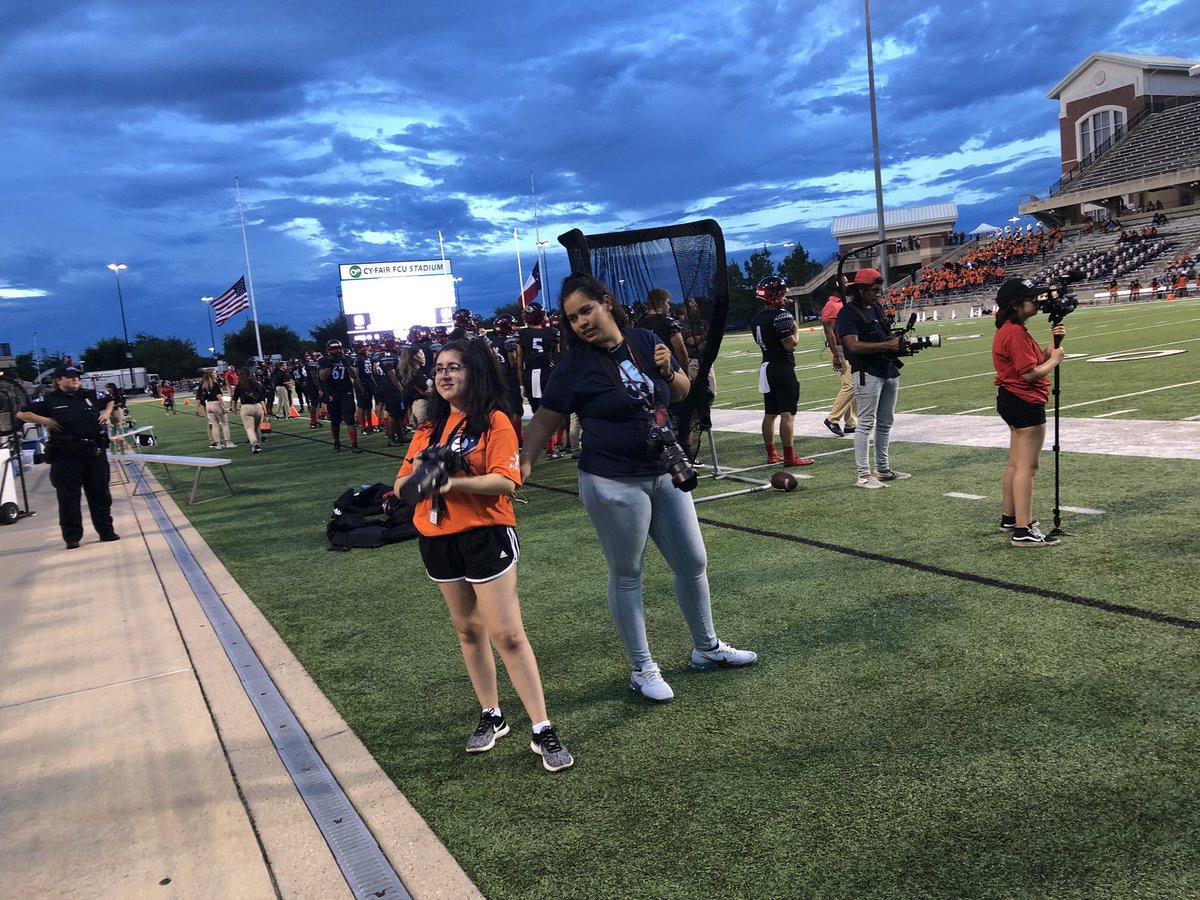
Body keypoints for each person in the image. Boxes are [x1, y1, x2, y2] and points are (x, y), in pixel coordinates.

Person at [520, 273, 757, 703]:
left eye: (586, 310)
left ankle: (706, 648)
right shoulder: (573, 364)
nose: (581, 323)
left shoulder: (646, 340)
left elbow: (683, 392)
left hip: (664, 470)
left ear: (606, 303)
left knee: (693, 561)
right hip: (611, 480)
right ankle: (642, 667)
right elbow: (543, 420)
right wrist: (524, 462)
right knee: (628, 574)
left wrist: (669, 369)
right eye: (573, 318)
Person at [395, 338, 573, 772]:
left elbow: (507, 482)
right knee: (467, 632)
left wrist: (451, 481)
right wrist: (422, 473)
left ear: (475, 372)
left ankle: (542, 728)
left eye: (455, 367)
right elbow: (400, 487)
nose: (444, 375)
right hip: (437, 537)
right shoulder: (427, 427)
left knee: (508, 635)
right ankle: (491, 715)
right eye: (439, 368)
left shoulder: (494, 420)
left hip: (485, 534)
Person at [992, 278, 1066, 547]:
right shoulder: (1014, 333)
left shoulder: (1011, 330)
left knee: (1015, 463)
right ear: (1015, 305)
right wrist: (1056, 360)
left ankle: (1010, 518)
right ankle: (1023, 529)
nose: (1035, 301)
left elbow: (1032, 362)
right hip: (1024, 401)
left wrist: (1051, 347)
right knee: (1027, 466)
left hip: (1012, 400)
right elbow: (1029, 374)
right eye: (1030, 298)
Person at [17, 365, 119, 549]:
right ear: (58, 380)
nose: (75, 379)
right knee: (68, 498)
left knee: (100, 494)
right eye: (70, 376)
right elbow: (22, 413)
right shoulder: (49, 400)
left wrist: (106, 413)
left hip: (94, 452)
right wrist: (44, 420)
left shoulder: (90, 395)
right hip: (65, 455)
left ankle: (106, 531)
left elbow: (110, 400)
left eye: (77, 376)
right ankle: (72, 537)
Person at [837, 268, 908, 489]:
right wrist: (887, 344)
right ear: (861, 289)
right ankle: (863, 475)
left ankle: (883, 468)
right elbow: (852, 345)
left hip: (887, 368)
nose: (879, 293)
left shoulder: (876, 307)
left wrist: (896, 342)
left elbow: (883, 335)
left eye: (880, 289)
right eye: (875, 290)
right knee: (865, 423)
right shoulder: (848, 313)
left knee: (886, 421)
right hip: (867, 371)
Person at [750, 276, 813, 466]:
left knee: (770, 414)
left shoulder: (757, 318)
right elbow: (790, 345)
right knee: (787, 413)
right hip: (782, 367)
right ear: (775, 295)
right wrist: (795, 327)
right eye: (782, 293)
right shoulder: (781, 316)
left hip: (766, 366)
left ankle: (771, 454)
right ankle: (790, 456)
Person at [820, 281, 857, 438]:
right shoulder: (831, 305)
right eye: (845, 283)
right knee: (851, 384)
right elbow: (829, 332)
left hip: (847, 348)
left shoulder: (841, 303)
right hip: (839, 349)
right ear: (837, 287)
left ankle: (851, 423)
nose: (848, 286)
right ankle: (832, 419)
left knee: (853, 382)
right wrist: (835, 354)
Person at [318, 340, 363, 453]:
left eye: (338, 348)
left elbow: (354, 375)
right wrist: (329, 363)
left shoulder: (347, 358)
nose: (336, 351)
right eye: (333, 349)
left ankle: (354, 444)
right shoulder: (324, 360)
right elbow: (322, 377)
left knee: (349, 419)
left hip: (346, 392)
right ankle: (336, 441)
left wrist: (345, 362)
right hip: (332, 394)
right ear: (328, 350)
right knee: (335, 421)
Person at [231, 366, 269, 453]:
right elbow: (261, 398)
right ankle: (258, 444)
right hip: (257, 406)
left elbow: (235, 399)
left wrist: (234, 409)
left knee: (249, 428)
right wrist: (265, 411)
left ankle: (254, 443)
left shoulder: (239, 386)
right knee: (256, 428)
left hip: (246, 407)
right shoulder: (255, 384)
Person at [197, 370, 234, 449]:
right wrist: (224, 406)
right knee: (224, 424)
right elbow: (219, 396)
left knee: (214, 425)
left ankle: (218, 444)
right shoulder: (215, 384)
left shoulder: (204, 385)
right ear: (210, 375)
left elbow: (201, 397)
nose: (216, 374)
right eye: (214, 373)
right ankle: (228, 442)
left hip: (208, 405)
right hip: (216, 403)